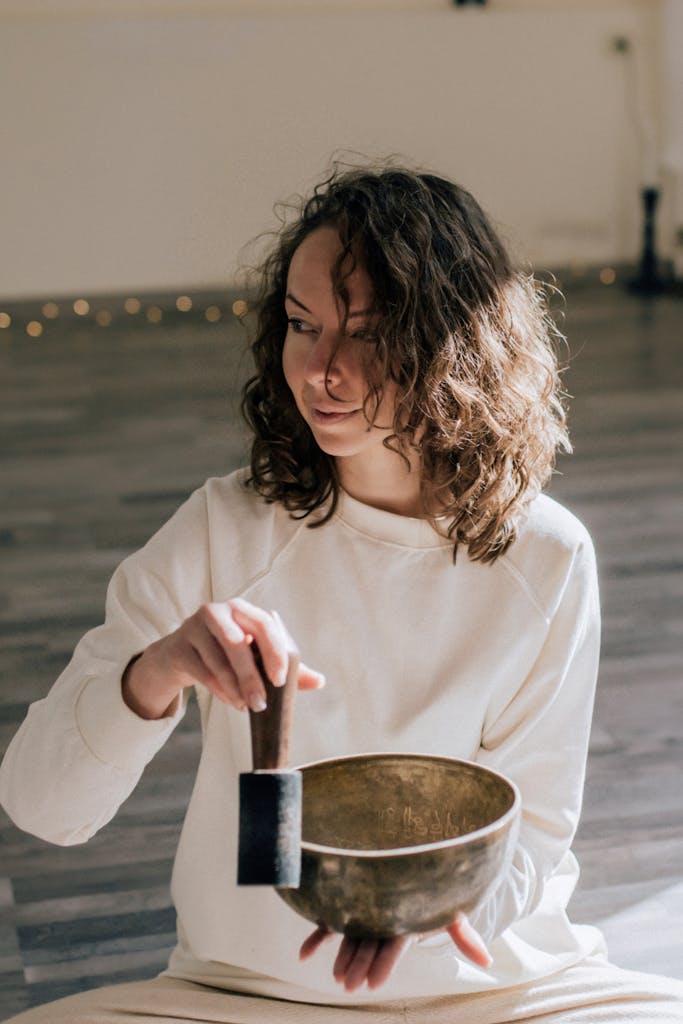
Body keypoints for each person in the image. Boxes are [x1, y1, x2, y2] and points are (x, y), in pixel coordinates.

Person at [1, 162, 682, 1024]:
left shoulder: (545, 556)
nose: (318, 368)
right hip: (242, 998)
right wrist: (152, 675)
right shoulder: (222, 532)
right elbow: (38, 806)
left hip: (499, 994)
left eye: (361, 332)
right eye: (299, 324)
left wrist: (426, 917)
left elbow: (533, 843)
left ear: (450, 338)